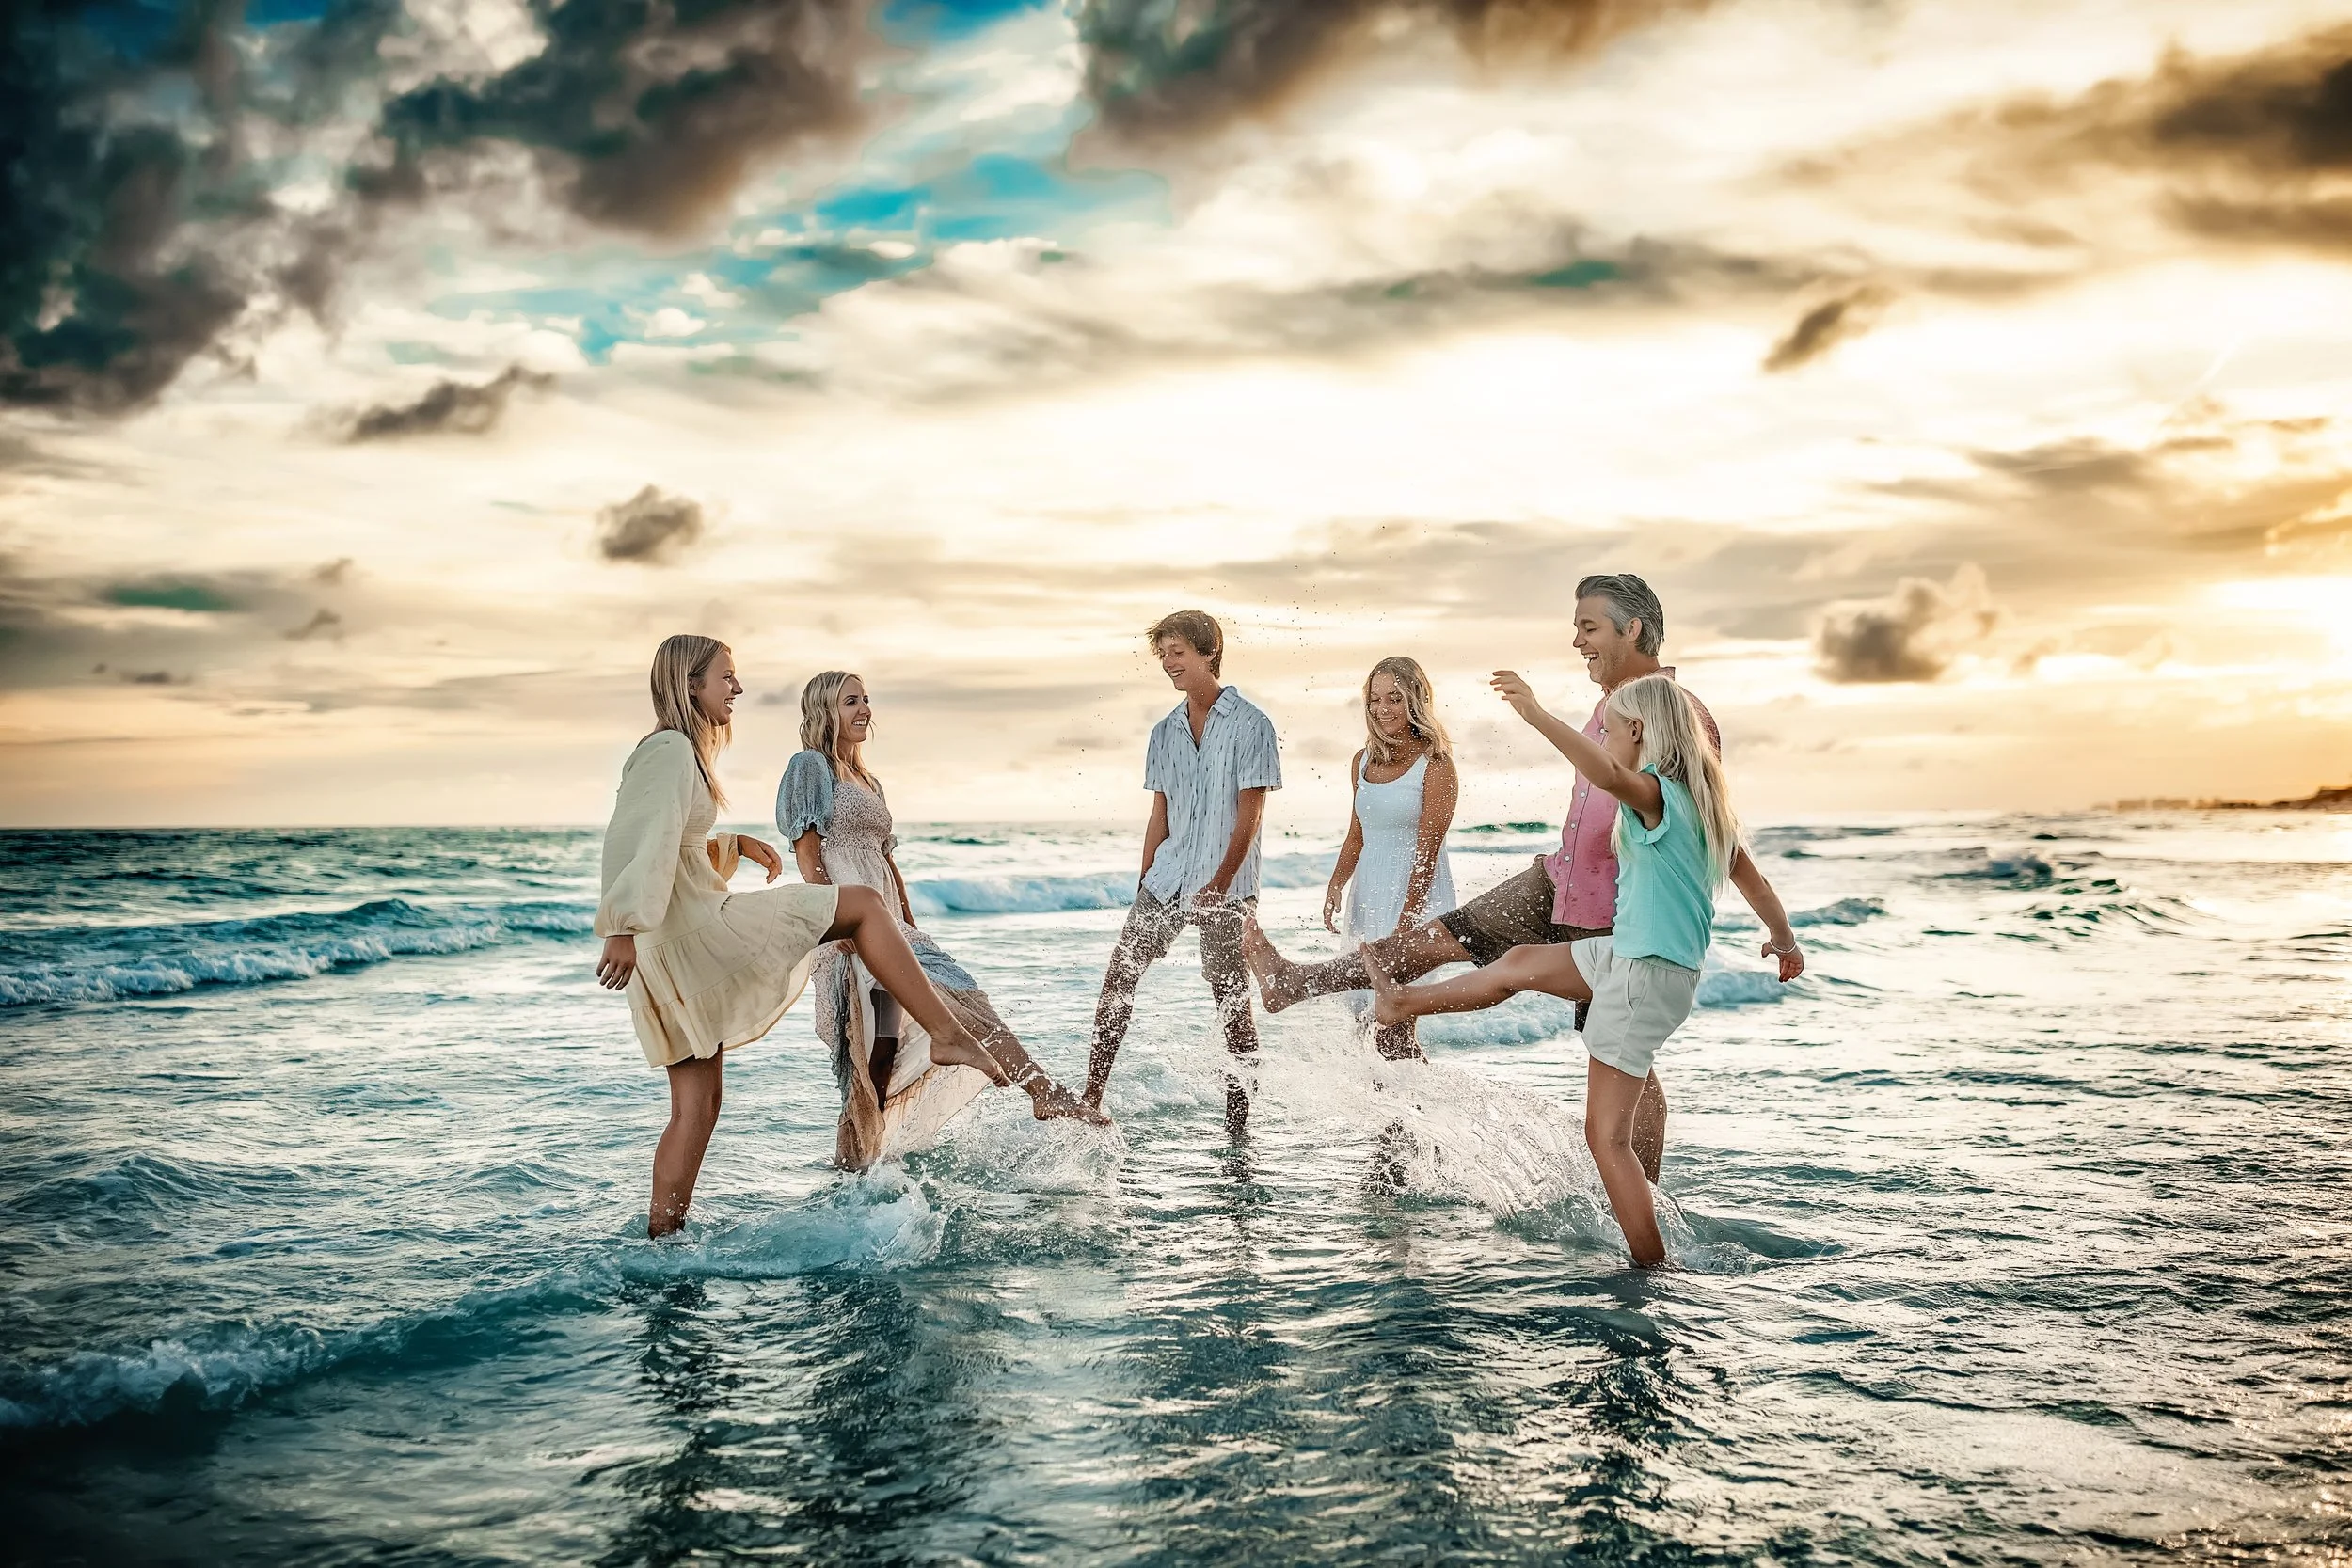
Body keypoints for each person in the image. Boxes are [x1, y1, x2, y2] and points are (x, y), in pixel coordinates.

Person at [1243, 573, 1802, 1181]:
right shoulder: (1609, 707)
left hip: (1612, 914)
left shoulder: (1677, 714)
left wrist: (1777, 927)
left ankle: (1644, 1201)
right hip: (1553, 880)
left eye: (1588, 627)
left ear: (1632, 627)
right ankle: (1292, 982)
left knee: (1626, 1064)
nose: (1578, 641)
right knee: (1433, 939)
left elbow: (1708, 829)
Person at [595, 635, 1100, 1237]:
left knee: (698, 1109)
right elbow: (634, 840)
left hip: (675, 941)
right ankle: (951, 1040)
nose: (737, 689)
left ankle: (662, 1245)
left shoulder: (680, 753)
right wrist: (621, 926)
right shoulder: (675, 749)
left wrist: (731, 846)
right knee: (861, 914)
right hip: (686, 937)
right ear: (690, 684)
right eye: (725, 677)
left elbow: (671, 846)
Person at [1365, 673, 1739, 1267]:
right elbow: (1746, 871)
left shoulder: (1654, 792)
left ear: (1639, 733)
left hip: (1642, 976)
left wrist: (1535, 713)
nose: (1604, 740)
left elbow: (1610, 775)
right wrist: (1784, 937)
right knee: (1518, 964)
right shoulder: (1697, 800)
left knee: (1606, 1138)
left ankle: (1651, 1268)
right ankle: (1402, 1003)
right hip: (1628, 961)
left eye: (1609, 731)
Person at [779, 671, 1088, 1169]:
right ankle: (1040, 1087)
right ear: (823, 710)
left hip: (888, 922)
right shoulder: (811, 767)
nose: (864, 710)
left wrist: (910, 921)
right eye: (850, 701)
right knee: (874, 1049)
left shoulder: (867, 780)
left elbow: (886, 859)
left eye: (866, 700)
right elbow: (807, 851)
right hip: (847, 925)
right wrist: (833, 923)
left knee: (894, 1041)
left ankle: (857, 1163)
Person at [1084, 610, 1282, 1135]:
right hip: (1166, 881)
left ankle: (1238, 1124)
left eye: (1179, 652)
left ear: (1209, 651)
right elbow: (1161, 812)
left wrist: (1219, 887)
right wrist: (1145, 878)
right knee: (1118, 981)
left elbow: (1251, 813)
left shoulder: (1251, 724)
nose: (1170, 663)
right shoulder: (1163, 732)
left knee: (1231, 1000)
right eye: (1164, 654)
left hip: (1229, 886)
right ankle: (1090, 1099)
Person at [1321, 657, 1458, 1061]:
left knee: (1393, 1024)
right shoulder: (1361, 762)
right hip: (1370, 897)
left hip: (1415, 899)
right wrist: (1335, 886)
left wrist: (1407, 923)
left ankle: (1413, 1118)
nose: (1383, 709)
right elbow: (1357, 833)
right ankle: (1395, 1119)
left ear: (1415, 700)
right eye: (1375, 699)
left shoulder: (1435, 766)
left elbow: (1427, 854)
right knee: (1367, 1024)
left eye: (1394, 698)